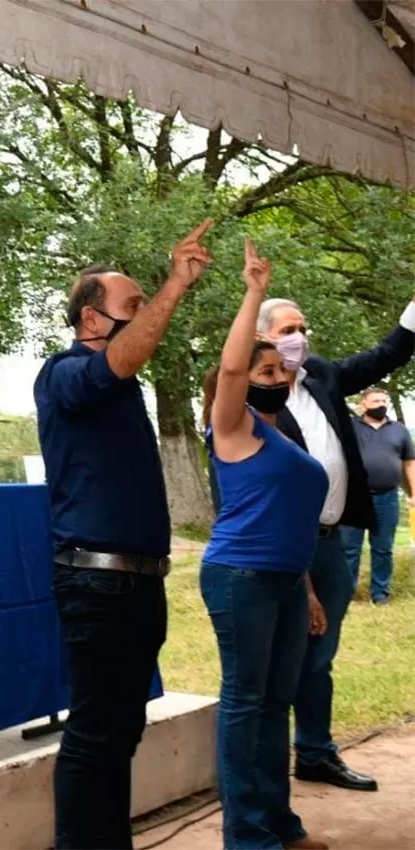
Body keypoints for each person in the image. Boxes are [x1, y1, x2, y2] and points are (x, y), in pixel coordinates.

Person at [34, 220, 213, 850]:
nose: (143, 318)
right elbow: (123, 356)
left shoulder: (124, 384)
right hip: (97, 582)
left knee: (120, 731)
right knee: (95, 735)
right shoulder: (65, 372)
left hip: (137, 584)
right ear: (90, 319)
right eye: (130, 307)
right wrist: (173, 287)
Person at [257, 291, 415, 792]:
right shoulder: (253, 395)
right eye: (285, 330)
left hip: (333, 538)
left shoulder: (322, 375)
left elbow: (386, 354)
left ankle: (315, 752)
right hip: (284, 546)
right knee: (278, 662)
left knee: (321, 654)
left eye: (301, 327)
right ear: (260, 336)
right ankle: (262, 772)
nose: (297, 337)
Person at [199, 241, 328, 850]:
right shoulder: (233, 425)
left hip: (282, 581)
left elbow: (292, 516)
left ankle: (279, 824)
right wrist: (253, 292)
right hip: (240, 576)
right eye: (268, 371)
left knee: (277, 705)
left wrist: (306, 591)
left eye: (281, 370)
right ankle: (245, 836)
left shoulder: (283, 435)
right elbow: (230, 371)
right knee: (246, 704)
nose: (280, 377)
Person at [339, 387, 414, 605]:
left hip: (387, 497)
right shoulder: (349, 428)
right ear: (362, 405)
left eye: (384, 400)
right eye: (375, 401)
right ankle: (347, 593)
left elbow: (410, 462)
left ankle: (380, 594)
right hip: (354, 497)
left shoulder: (399, 430)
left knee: (383, 548)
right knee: (349, 548)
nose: (381, 404)